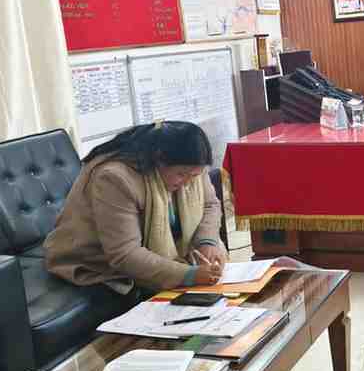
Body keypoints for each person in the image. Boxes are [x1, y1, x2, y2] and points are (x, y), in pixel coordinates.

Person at [45, 121, 228, 294]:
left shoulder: (190, 165)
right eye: (181, 175)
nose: (188, 183)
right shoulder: (115, 178)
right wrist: (189, 275)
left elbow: (210, 205)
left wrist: (207, 243)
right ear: (159, 160)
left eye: (194, 176)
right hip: (95, 262)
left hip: (149, 255)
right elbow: (125, 254)